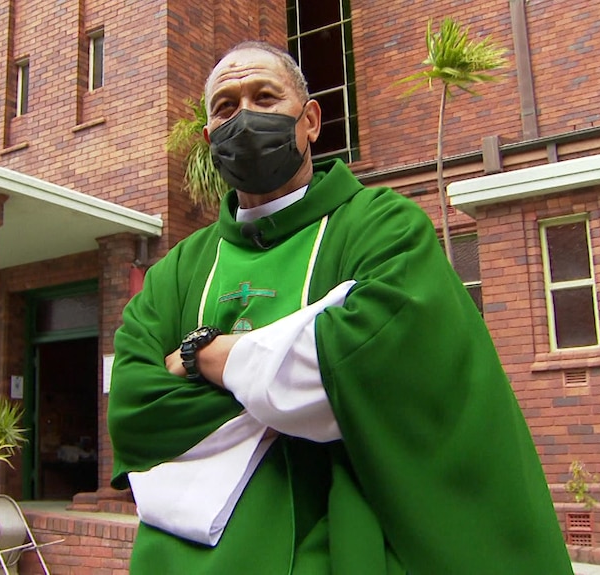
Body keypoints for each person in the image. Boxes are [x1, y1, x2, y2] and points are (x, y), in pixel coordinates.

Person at [108, 40, 573, 575]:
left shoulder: (382, 228)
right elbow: (136, 411)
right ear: (211, 138)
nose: (245, 118)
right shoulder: (177, 270)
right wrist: (298, 384)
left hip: (341, 549)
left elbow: (389, 366)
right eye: (226, 108)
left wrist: (205, 357)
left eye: (264, 97)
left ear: (310, 121)